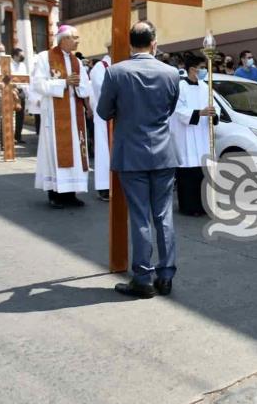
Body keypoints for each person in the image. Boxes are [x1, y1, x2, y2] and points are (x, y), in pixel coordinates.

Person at [96, 21, 180, 299]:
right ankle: (166, 275)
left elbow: (103, 111)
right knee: (163, 215)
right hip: (163, 152)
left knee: (141, 215)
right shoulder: (170, 73)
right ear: (154, 43)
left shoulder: (116, 72)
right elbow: (169, 109)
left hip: (131, 153)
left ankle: (142, 278)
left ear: (131, 44)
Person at [32, 26, 91, 208]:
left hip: (75, 115)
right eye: (75, 38)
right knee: (55, 153)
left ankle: (71, 194)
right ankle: (55, 195)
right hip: (55, 115)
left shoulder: (76, 61)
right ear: (64, 39)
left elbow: (86, 87)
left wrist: (79, 86)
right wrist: (64, 82)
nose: (78, 41)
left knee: (75, 153)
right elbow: (38, 84)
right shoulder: (44, 57)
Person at [171, 54, 219, 216]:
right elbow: (178, 111)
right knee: (188, 172)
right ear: (193, 69)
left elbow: (215, 106)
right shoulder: (180, 87)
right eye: (202, 67)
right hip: (187, 135)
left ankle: (204, 205)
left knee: (203, 171)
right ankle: (188, 207)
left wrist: (213, 113)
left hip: (203, 134)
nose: (204, 70)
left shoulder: (205, 87)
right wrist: (199, 112)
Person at [88, 41, 112, 201]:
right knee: (105, 151)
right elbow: (103, 91)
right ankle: (104, 186)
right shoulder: (100, 67)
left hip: (121, 117)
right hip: (106, 117)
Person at [11, 48, 28, 144]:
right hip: (12, 90)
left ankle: (18, 136)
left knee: (20, 116)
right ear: (15, 55)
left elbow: (25, 79)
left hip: (21, 91)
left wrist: (26, 93)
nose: (22, 57)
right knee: (12, 116)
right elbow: (6, 78)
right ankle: (11, 137)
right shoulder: (9, 64)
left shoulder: (23, 65)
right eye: (20, 55)